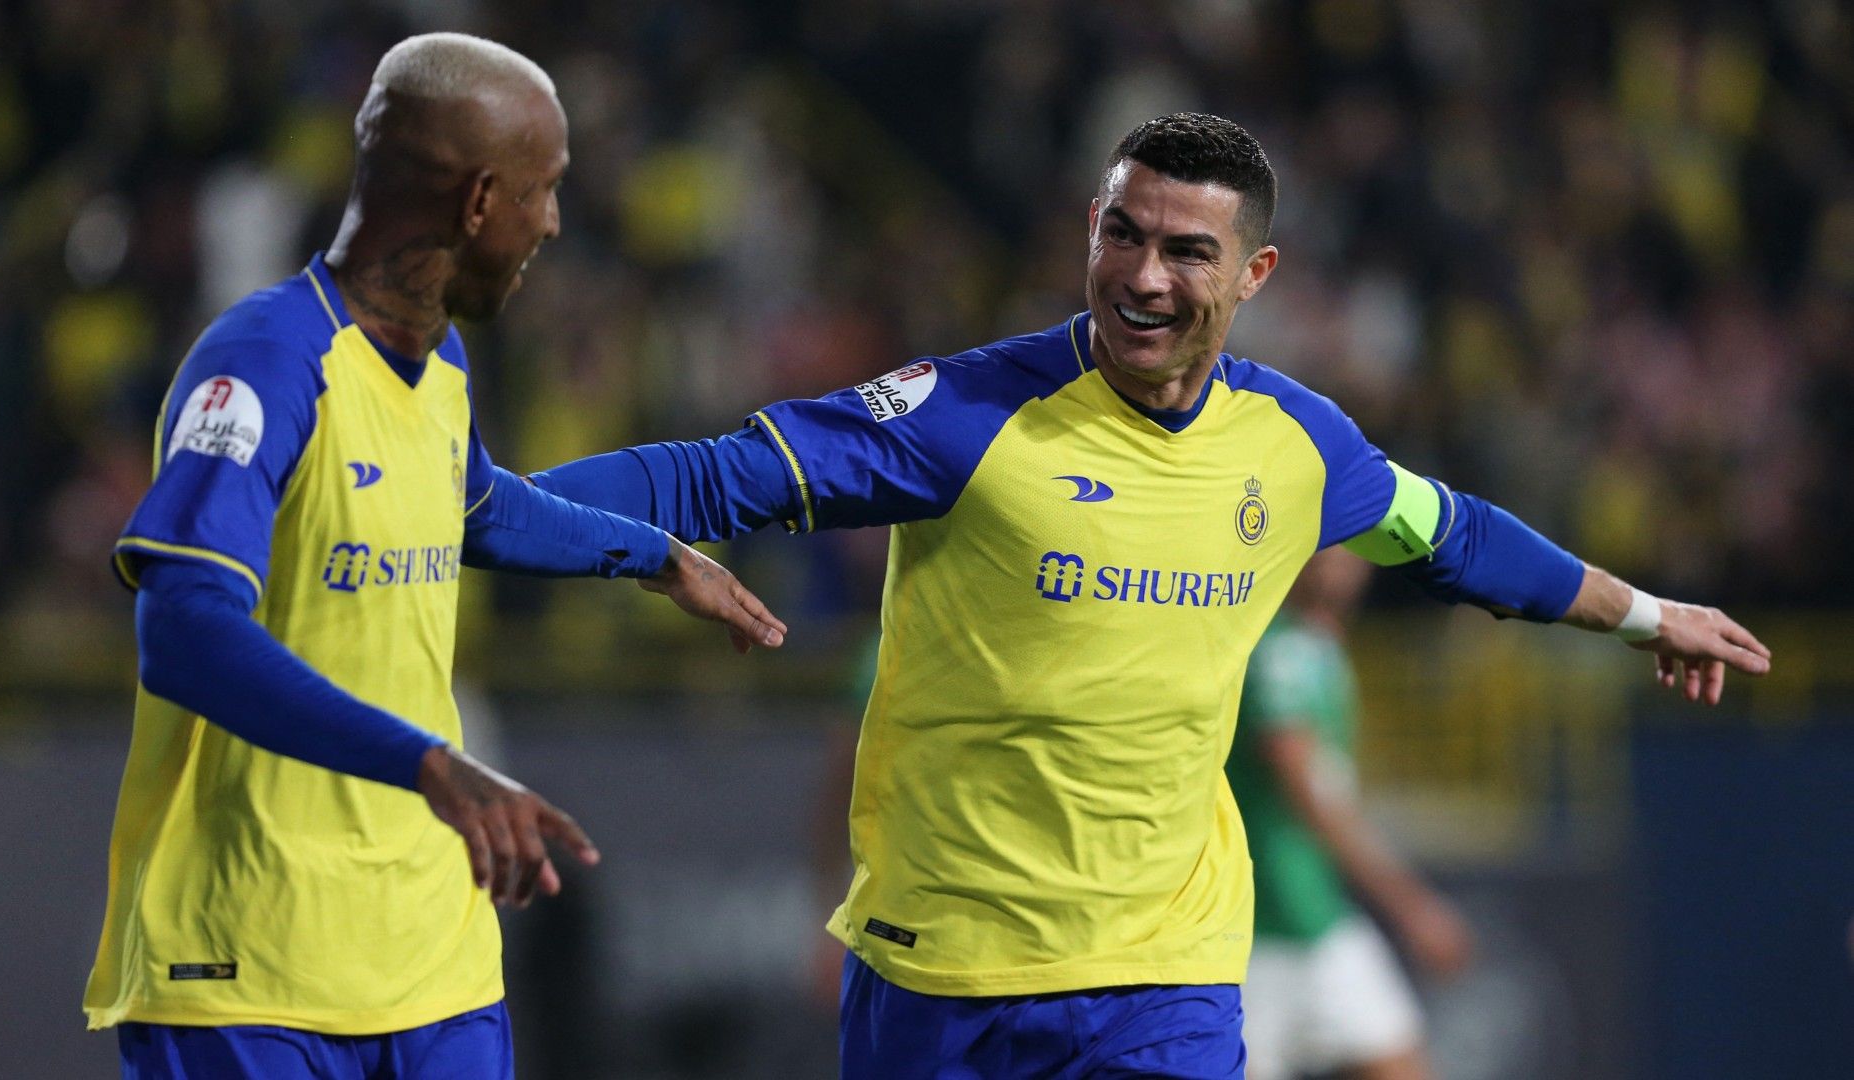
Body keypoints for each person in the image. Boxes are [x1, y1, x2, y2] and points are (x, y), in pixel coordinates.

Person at [528, 112, 1771, 1078]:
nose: (1144, 276)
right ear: (1089, 228)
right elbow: (712, 474)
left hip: (1163, 974)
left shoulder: (1298, 444)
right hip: (940, 965)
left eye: (1188, 250)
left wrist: (1650, 618)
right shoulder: (965, 417)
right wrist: (485, 512)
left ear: (1255, 272)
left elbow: (1457, 537)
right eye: (1122, 234)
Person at [83, 33, 786, 1080]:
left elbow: (476, 507)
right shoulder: (263, 366)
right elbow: (182, 630)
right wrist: (427, 762)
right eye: (543, 193)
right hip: (250, 975)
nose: (552, 222)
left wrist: (654, 557)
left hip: (431, 966)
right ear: (478, 203)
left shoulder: (438, 360)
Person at [1228, 545, 1468, 1080]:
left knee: (1401, 1062)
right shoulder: (1277, 648)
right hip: (1254, 934)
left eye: (1352, 548)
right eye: (1323, 546)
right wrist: (1410, 905)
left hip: (1319, 917)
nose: (1338, 561)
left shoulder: (1317, 645)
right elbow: (1304, 786)